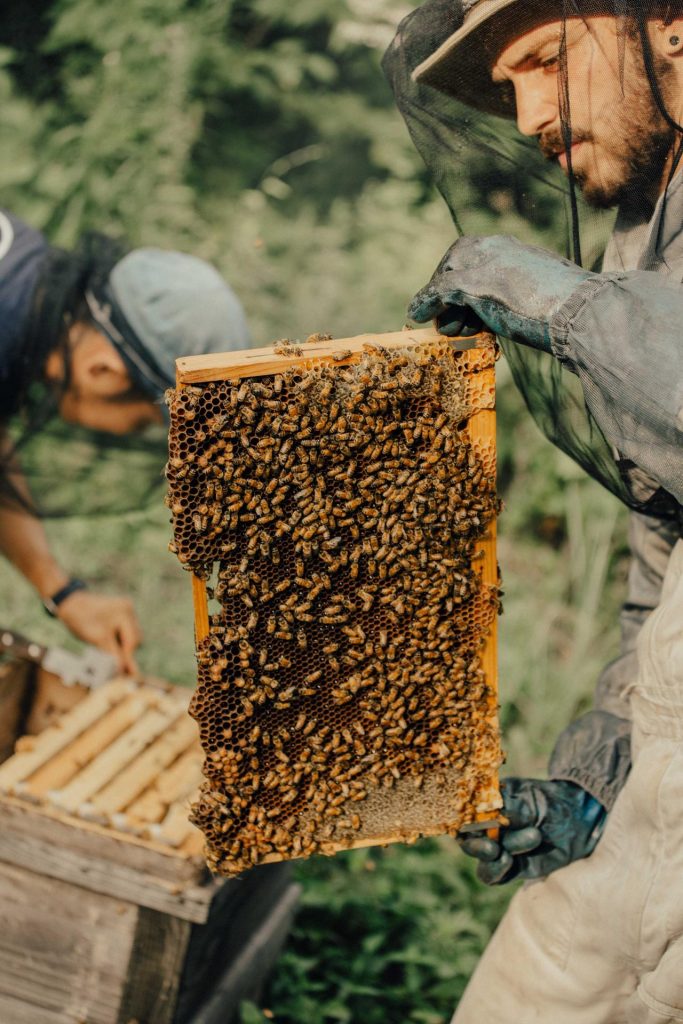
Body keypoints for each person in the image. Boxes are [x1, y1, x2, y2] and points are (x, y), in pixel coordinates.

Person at [384, 1, 683, 1021]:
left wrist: (551, 300)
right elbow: (666, 545)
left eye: (544, 59)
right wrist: (599, 768)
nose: (526, 116)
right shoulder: (647, 222)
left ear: (667, 26)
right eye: (508, 86)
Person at [0, 209, 250, 674]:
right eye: (141, 425)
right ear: (102, 371)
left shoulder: (22, 281)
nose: (132, 435)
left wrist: (61, 591)